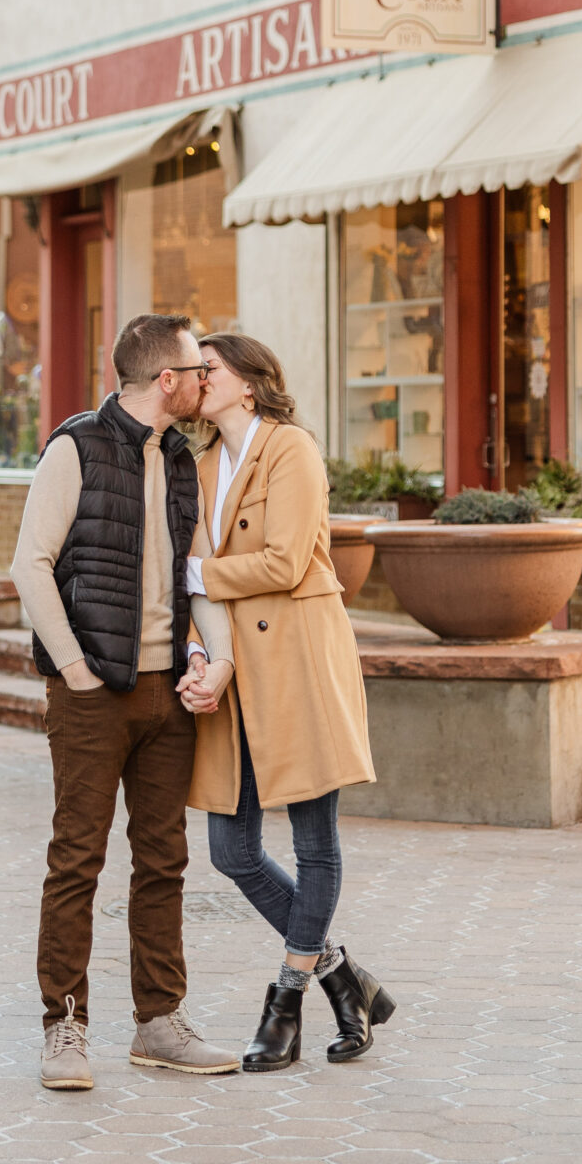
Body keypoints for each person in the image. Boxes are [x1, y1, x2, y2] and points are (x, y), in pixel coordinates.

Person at [12, 312, 240, 1093]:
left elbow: (198, 571)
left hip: (167, 694)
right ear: (166, 380)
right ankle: (64, 1027)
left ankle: (158, 1023)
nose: (206, 379)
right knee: (76, 859)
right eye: (195, 369)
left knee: (163, 860)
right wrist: (74, 669)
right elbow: (30, 565)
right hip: (91, 693)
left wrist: (219, 660)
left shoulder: (181, 457)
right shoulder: (75, 447)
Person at [177, 332, 393, 1073]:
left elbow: (288, 558)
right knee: (230, 849)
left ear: (248, 382)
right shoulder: (198, 465)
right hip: (236, 673)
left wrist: (197, 571)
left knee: (312, 840)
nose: (197, 379)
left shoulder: (290, 448)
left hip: (298, 660)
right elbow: (198, 586)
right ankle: (344, 978)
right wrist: (200, 652)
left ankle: (285, 1004)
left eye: (210, 368)